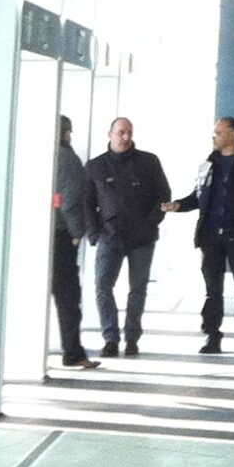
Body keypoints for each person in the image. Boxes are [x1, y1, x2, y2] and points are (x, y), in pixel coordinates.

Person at [168, 115, 234, 355]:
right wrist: (178, 205)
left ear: (233, 134)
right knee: (213, 290)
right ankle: (212, 336)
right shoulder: (209, 164)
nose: (214, 137)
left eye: (218, 133)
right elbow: (198, 197)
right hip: (210, 236)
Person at [84, 116, 172, 357]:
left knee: (138, 288)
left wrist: (151, 222)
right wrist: (95, 233)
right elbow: (87, 203)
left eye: (129, 133)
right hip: (110, 237)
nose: (125, 137)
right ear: (110, 134)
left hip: (142, 238)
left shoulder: (148, 162)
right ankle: (110, 338)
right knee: (103, 286)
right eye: (121, 132)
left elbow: (163, 194)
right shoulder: (95, 166)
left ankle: (132, 337)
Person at [50, 117, 96, 371]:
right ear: (66, 133)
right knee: (68, 297)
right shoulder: (67, 159)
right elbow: (70, 201)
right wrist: (78, 232)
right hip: (61, 235)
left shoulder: (32, 154)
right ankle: (73, 352)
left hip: (34, 235)